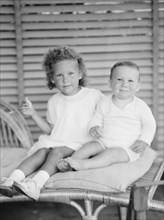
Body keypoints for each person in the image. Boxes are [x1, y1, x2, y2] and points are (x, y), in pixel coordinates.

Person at [0, 46, 104, 200]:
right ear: (52, 79)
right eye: (59, 75)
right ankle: (11, 181)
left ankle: (36, 184)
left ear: (80, 74)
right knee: (40, 152)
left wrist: (100, 129)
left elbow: (106, 117)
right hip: (57, 140)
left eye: (70, 73)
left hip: (81, 144)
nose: (65, 79)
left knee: (57, 152)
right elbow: (51, 130)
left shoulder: (94, 96)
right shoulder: (54, 101)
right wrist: (33, 114)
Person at [58, 61, 156, 171]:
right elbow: (97, 117)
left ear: (138, 86)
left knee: (111, 154)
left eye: (130, 81)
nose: (125, 84)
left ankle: (85, 164)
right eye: (119, 80)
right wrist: (94, 127)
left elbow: (150, 126)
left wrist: (144, 141)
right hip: (103, 142)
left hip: (126, 148)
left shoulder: (140, 106)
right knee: (89, 146)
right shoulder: (105, 102)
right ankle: (69, 162)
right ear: (110, 83)